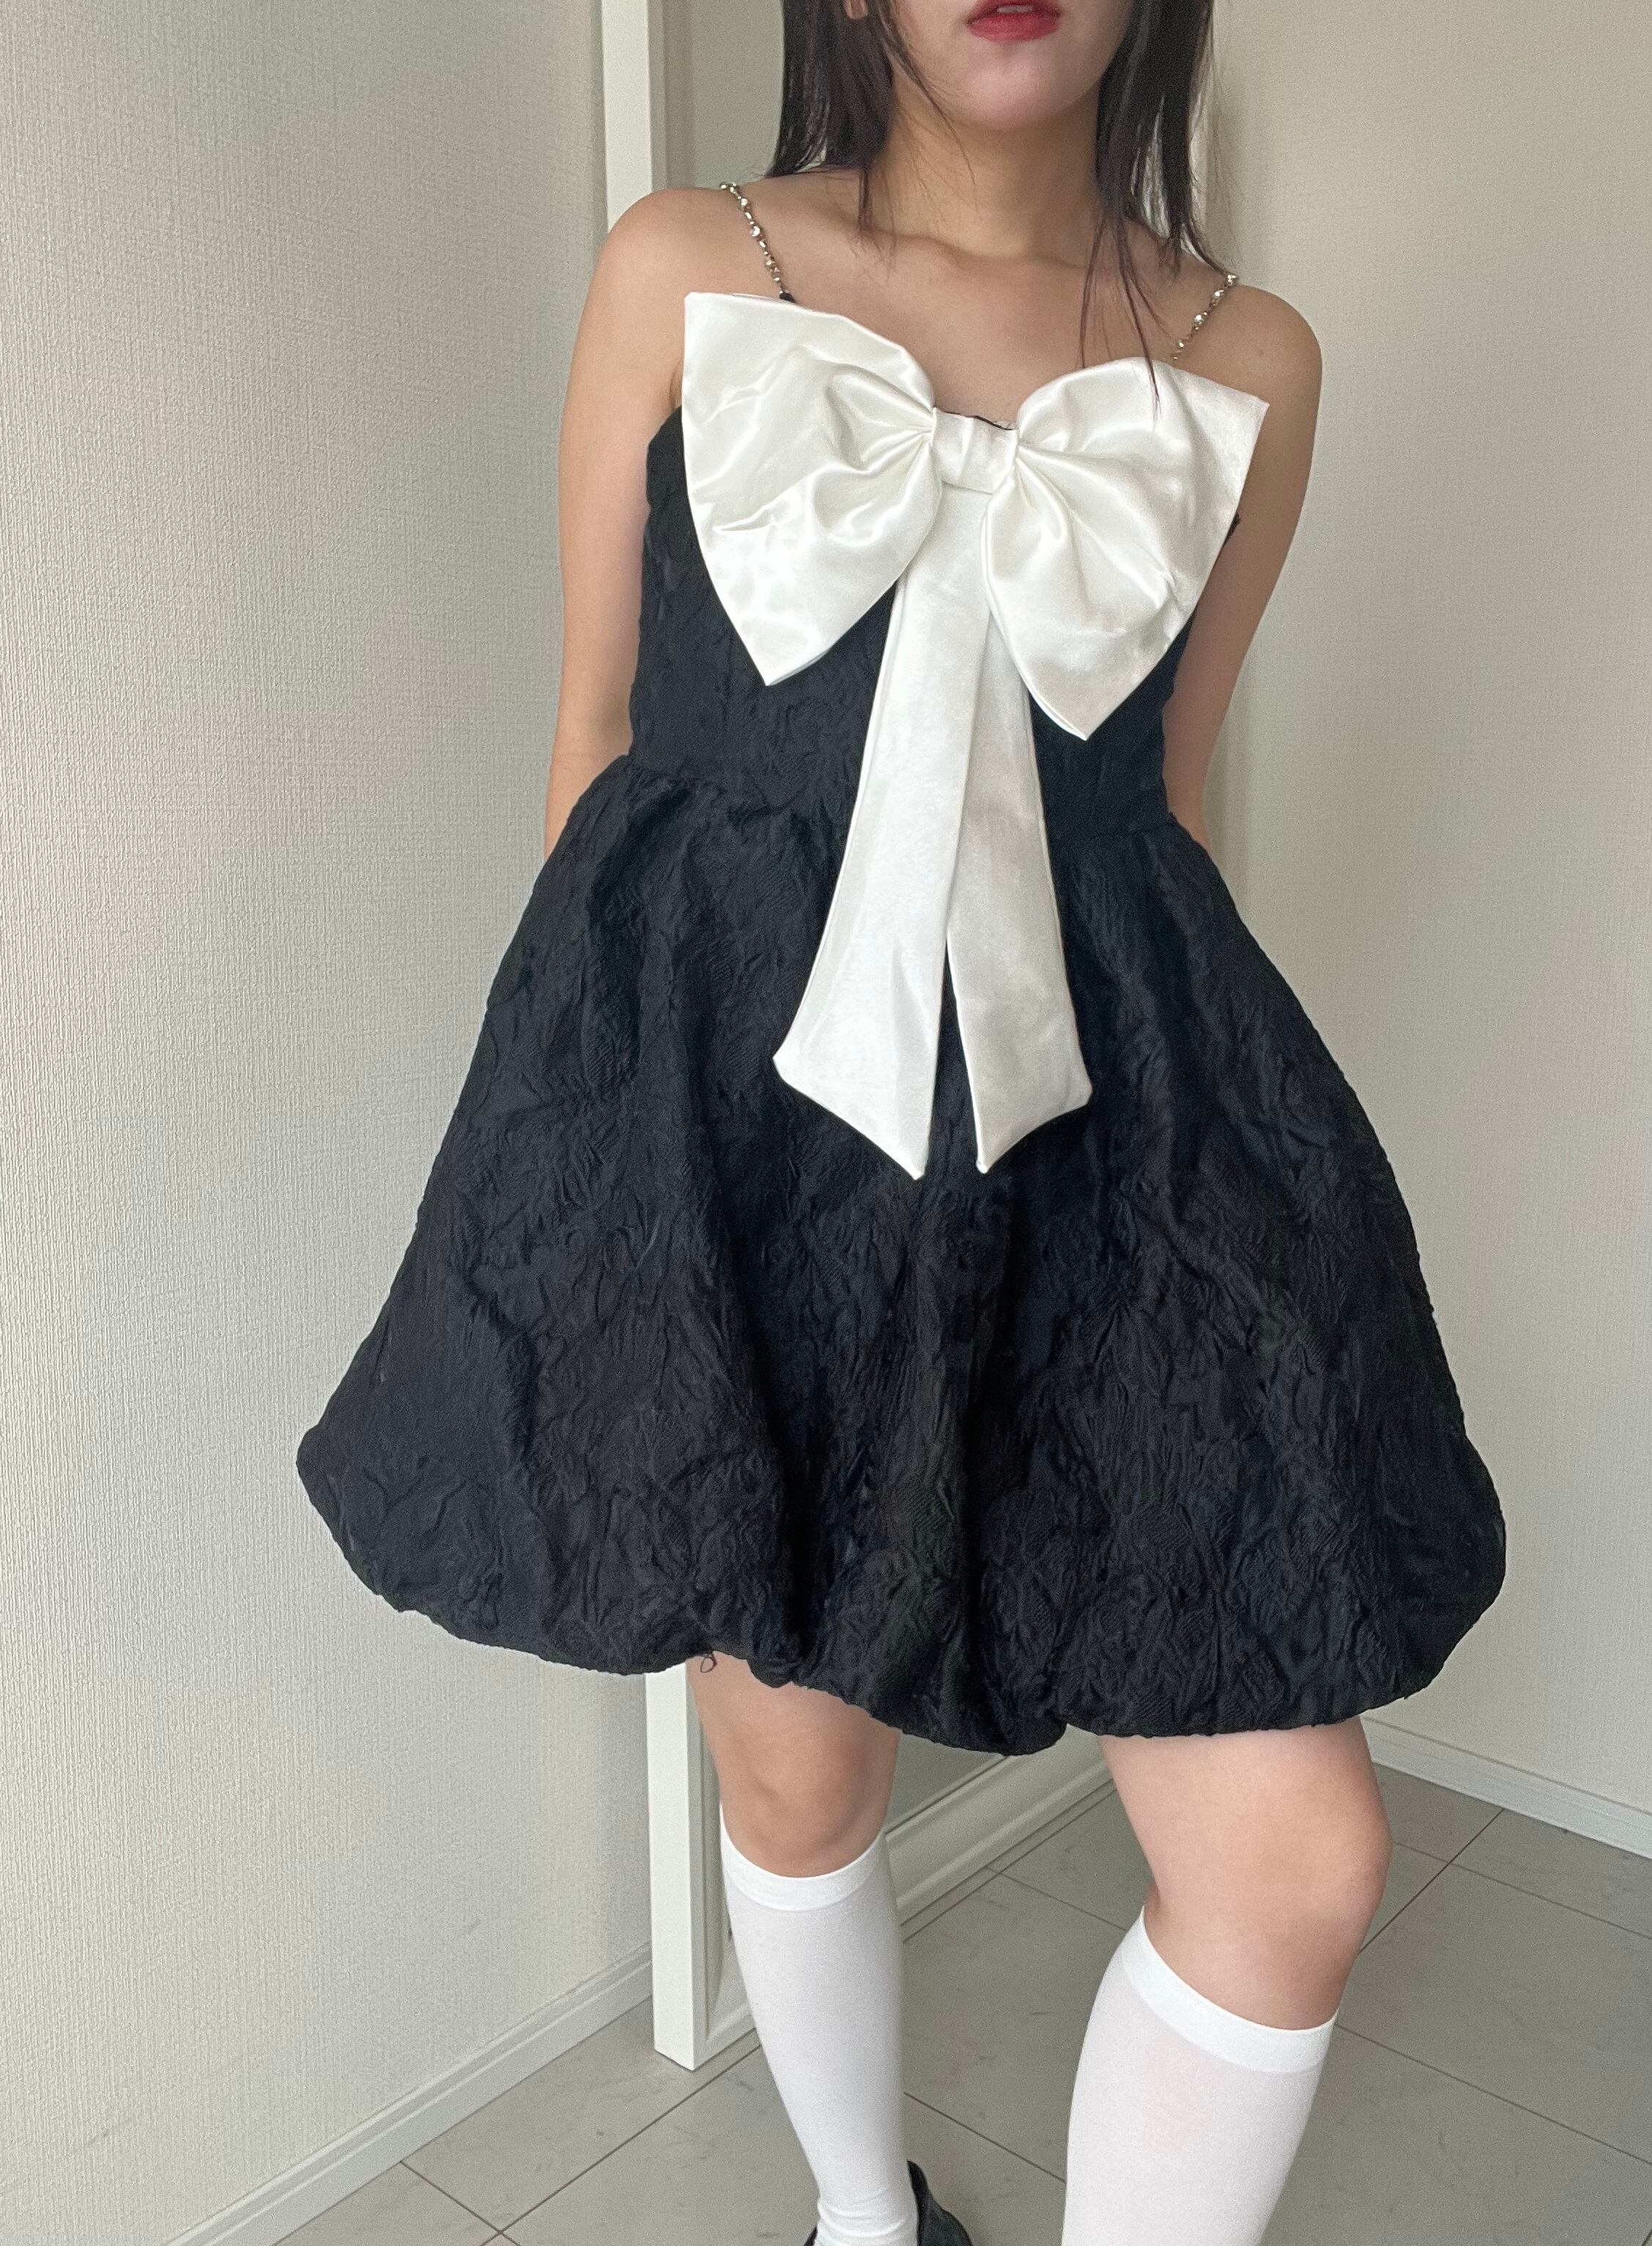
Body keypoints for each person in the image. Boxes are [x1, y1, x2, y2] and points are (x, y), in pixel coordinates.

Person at [297, 1, 1507, 2239]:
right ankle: (867, 2221)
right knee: (792, 1768)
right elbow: (591, 738)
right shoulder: (683, 263)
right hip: (738, 1139)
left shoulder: (1249, 357)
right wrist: (596, 1188)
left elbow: (1163, 797)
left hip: (1105, 1141)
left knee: (1293, 1864)